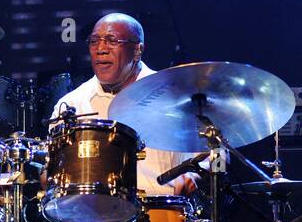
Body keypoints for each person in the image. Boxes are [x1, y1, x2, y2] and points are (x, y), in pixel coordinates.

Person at [50, 13, 199, 196]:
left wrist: (193, 175)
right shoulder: (71, 104)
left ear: (137, 50)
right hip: (89, 217)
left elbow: (214, 153)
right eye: (94, 41)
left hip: (162, 215)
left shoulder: (174, 97)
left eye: (112, 40)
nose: (101, 49)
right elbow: (51, 173)